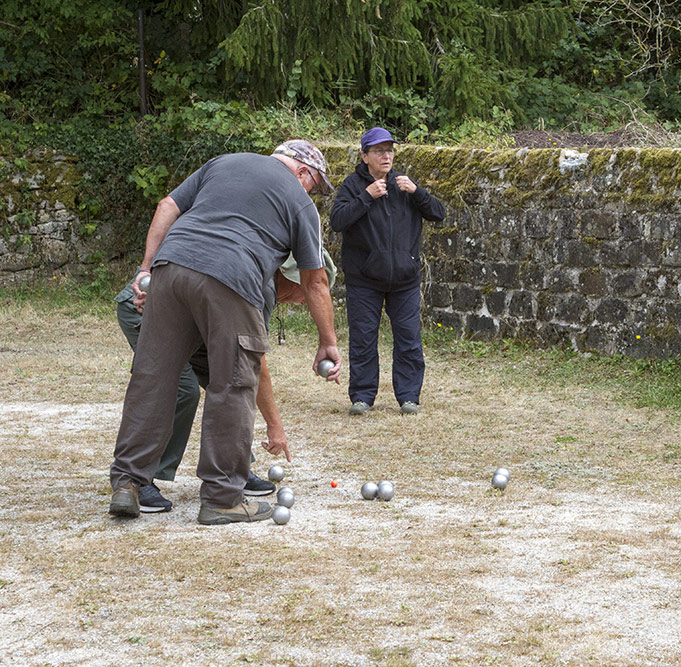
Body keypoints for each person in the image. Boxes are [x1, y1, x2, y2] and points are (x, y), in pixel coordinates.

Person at [109, 139, 343, 524]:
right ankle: (222, 498)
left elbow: (168, 206)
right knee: (233, 385)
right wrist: (328, 343)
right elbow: (315, 282)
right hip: (231, 279)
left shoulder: (224, 162)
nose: (312, 196)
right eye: (315, 186)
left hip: (170, 269)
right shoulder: (299, 201)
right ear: (303, 172)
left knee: (152, 379)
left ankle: (127, 483)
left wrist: (146, 269)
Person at [114, 251, 336, 512]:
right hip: (146, 309)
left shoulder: (263, 280)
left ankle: (232, 470)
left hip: (194, 321)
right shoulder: (260, 286)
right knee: (183, 390)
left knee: (231, 380)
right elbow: (257, 363)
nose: (305, 304)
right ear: (295, 279)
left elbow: (244, 369)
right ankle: (139, 480)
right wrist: (275, 426)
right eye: (308, 294)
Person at [330, 127, 446, 416]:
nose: (386, 155)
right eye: (379, 151)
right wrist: (367, 196)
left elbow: (438, 213)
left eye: (390, 150)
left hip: (404, 280)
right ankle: (362, 397)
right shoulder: (353, 186)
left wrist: (418, 192)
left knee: (409, 340)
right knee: (363, 340)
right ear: (364, 156)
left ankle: (409, 397)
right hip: (364, 280)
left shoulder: (404, 185)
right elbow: (337, 221)